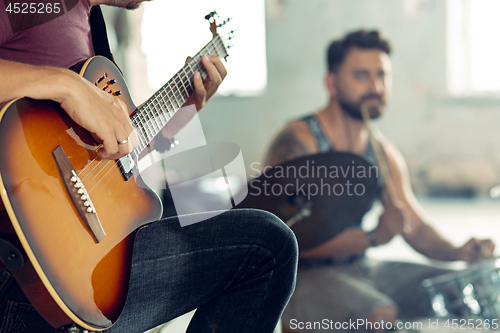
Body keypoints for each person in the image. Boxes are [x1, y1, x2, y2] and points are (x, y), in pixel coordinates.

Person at [0, 1, 298, 332]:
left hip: (82, 276)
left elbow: (106, 164)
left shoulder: (89, 23)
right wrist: (66, 84)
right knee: (264, 248)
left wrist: (181, 112)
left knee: (268, 248)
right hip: (18, 263)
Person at [263, 30, 495, 333]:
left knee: (458, 291)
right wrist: (373, 237)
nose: (375, 87)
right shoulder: (299, 142)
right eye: (361, 75)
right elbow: (284, 239)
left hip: (361, 267)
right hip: (302, 279)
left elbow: (415, 225)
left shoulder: (382, 151)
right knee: (381, 315)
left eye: (382, 75)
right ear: (331, 83)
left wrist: (458, 251)